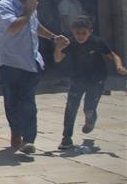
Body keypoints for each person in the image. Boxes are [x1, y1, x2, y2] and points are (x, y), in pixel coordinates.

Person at [0, 0, 68, 154]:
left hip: (31, 61)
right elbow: (12, 28)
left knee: (28, 101)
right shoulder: (4, 6)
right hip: (9, 62)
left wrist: (53, 37)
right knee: (12, 101)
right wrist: (27, 11)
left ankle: (28, 139)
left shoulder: (31, 6)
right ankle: (16, 132)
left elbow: (35, 25)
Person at [54, 15, 126, 149]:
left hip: (96, 79)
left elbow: (114, 55)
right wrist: (58, 48)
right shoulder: (70, 43)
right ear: (72, 31)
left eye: (83, 33)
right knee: (71, 107)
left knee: (89, 107)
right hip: (78, 78)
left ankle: (91, 118)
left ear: (90, 31)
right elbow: (58, 59)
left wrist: (119, 66)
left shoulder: (97, 42)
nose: (80, 36)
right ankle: (66, 138)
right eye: (77, 33)